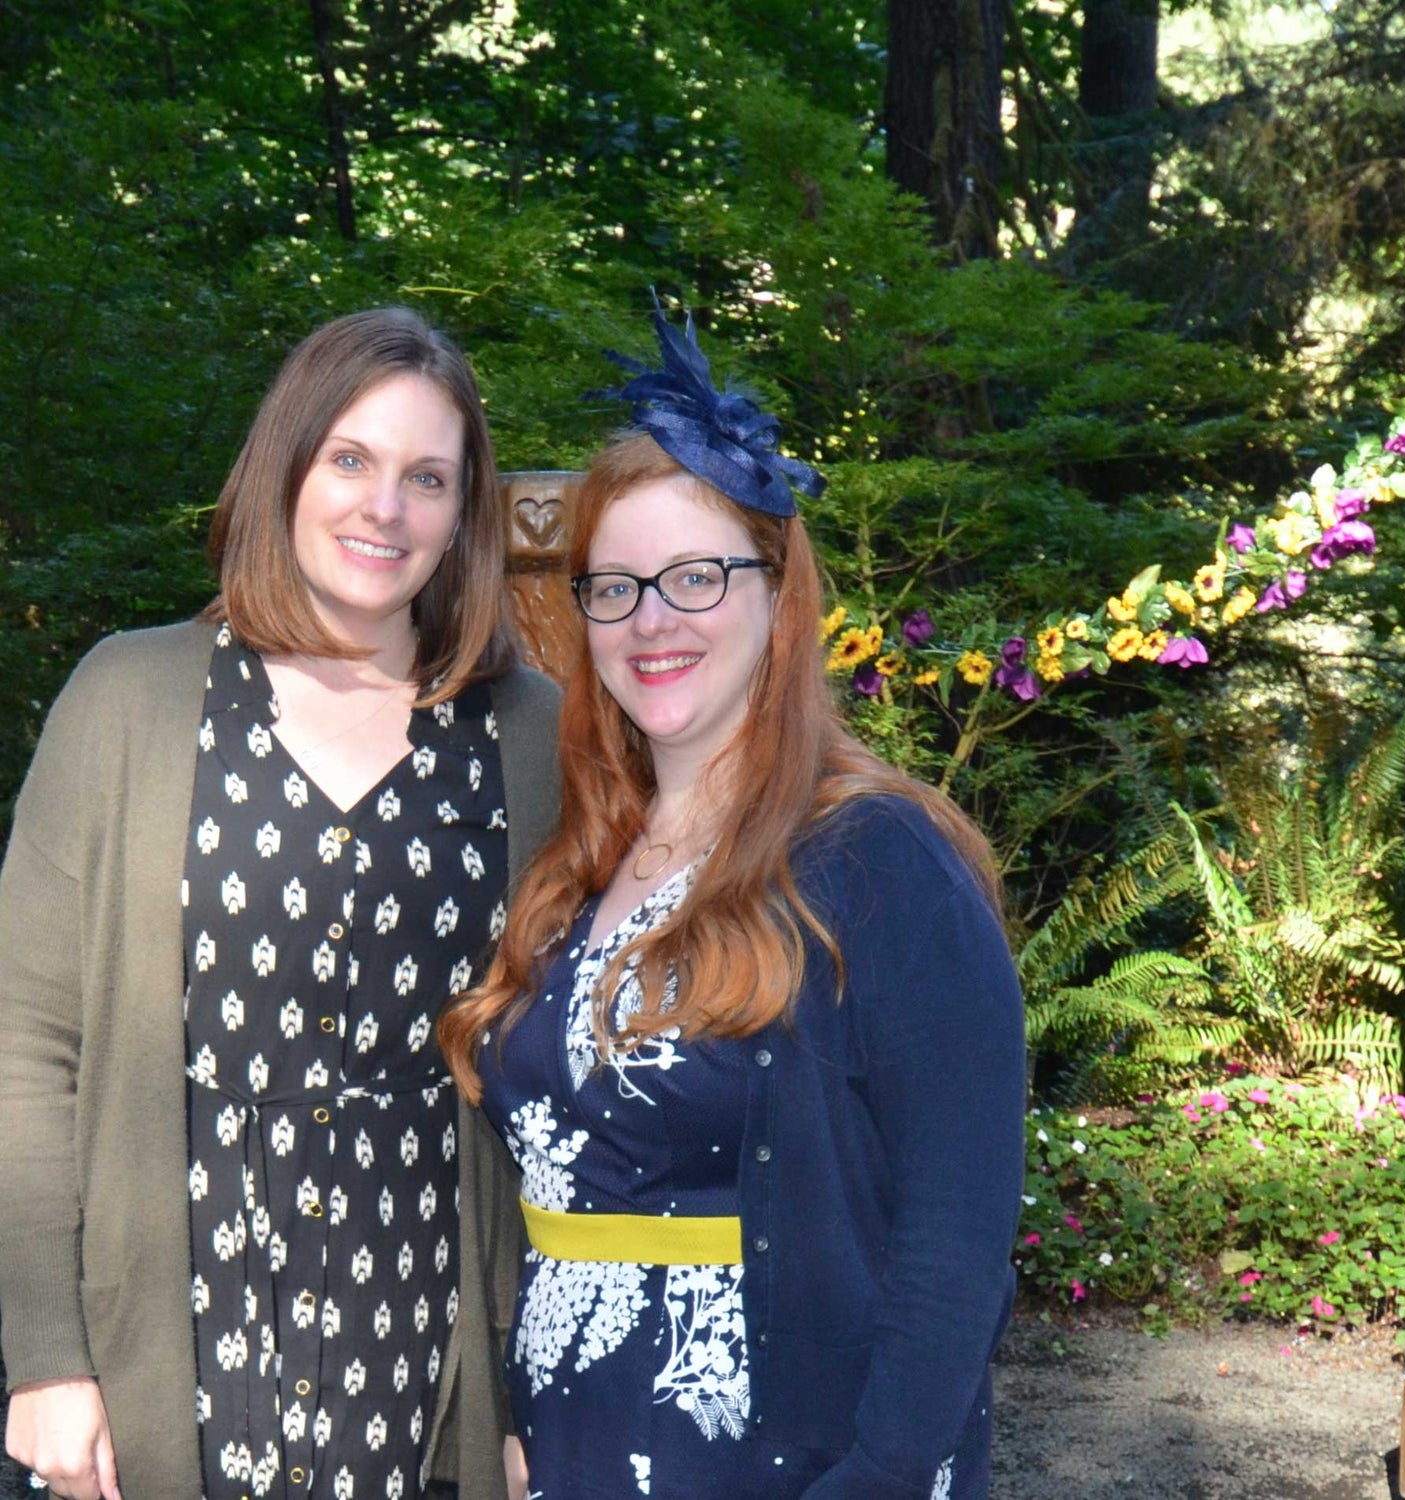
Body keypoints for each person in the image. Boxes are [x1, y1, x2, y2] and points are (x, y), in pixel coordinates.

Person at [439, 309, 1024, 1499]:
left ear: (778, 596)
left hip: (783, 1465)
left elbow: (955, 1247)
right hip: (567, 1454)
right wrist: (515, 1414)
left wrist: (877, 1478)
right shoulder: (579, 870)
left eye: (696, 577)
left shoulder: (878, 860)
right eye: (615, 588)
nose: (653, 621)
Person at [0, 307, 559, 1500]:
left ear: (464, 515)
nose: (384, 508)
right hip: (177, 1310)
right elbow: (25, 1045)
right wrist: (46, 1356)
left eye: (427, 478)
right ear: (286, 466)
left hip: (431, 1317)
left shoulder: (530, 735)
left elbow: (573, 1073)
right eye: (350, 459)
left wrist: (525, 1384)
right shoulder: (128, 699)